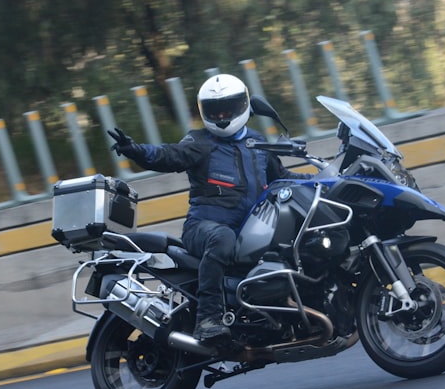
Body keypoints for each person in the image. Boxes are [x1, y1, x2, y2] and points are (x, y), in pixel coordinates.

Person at [108, 74, 310, 342]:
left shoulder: (258, 144)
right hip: (203, 229)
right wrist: (135, 150)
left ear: (244, 105)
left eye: (229, 108)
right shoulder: (199, 142)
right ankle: (207, 318)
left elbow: (283, 178)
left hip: (250, 231)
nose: (223, 115)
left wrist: (325, 178)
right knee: (222, 238)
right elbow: (167, 155)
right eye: (216, 110)